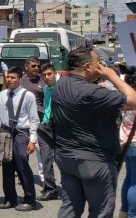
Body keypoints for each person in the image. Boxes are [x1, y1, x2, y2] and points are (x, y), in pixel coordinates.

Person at [53, 46, 136, 217]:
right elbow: (133, 101)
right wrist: (112, 76)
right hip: (94, 161)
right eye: (98, 62)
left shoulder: (61, 84)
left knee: (69, 208)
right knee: (101, 211)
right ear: (88, 67)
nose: (101, 65)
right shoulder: (91, 92)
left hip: (67, 157)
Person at [0, 66, 39, 212]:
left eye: (13, 77)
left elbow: (34, 119)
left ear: (20, 79)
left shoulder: (27, 95)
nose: (9, 80)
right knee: (6, 166)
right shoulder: (2, 95)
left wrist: (32, 140)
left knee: (22, 165)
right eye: (8, 77)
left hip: (21, 133)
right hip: (4, 132)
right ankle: (10, 198)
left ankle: (30, 199)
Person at [34, 63, 59, 202]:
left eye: (49, 74)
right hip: (45, 126)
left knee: (62, 159)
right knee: (45, 158)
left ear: (54, 73)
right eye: (44, 75)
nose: (47, 77)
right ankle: (50, 188)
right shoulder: (45, 89)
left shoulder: (61, 87)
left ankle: (71, 188)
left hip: (58, 126)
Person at [21, 56, 45, 184]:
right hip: (24, 119)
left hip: (40, 118)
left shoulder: (42, 80)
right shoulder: (21, 81)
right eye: (33, 66)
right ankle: (23, 175)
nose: (37, 68)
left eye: (38, 66)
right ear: (26, 67)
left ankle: (44, 178)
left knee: (40, 148)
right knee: (24, 149)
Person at [120, 67, 136, 218]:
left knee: (130, 178)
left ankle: (124, 211)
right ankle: (132, 214)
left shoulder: (127, 95)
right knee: (135, 182)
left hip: (127, 141)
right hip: (134, 142)